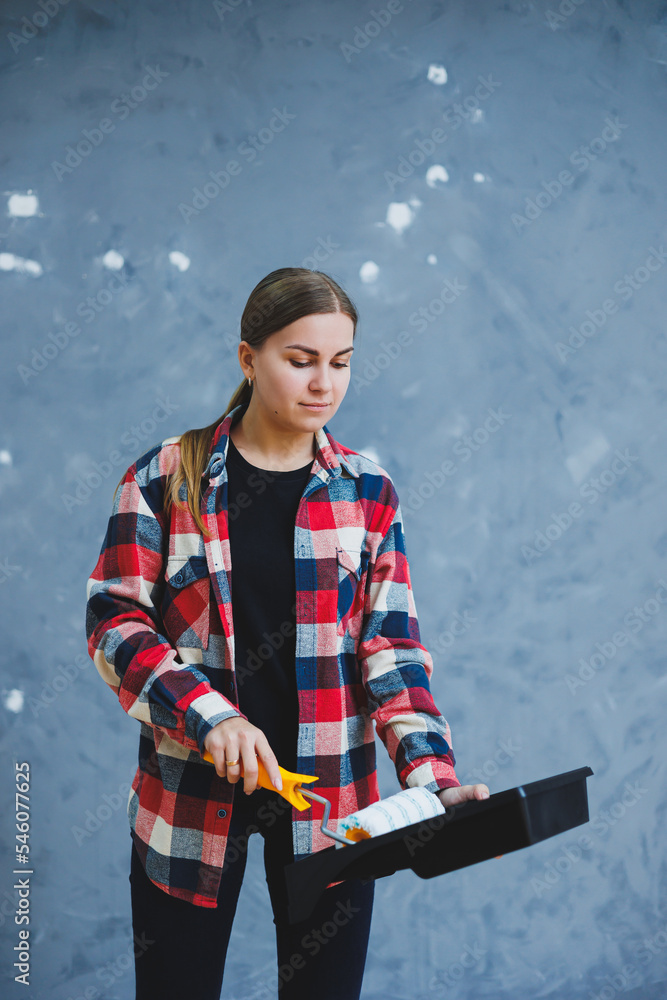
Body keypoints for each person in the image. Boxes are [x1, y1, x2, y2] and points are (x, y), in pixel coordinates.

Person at [85, 266, 489, 1000]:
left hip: (334, 806)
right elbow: (113, 623)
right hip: (188, 800)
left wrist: (434, 783)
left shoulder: (368, 493)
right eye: (299, 361)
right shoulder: (162, 478)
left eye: (340, 363)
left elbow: (390, 649)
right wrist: (210, 718)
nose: (322, 384)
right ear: (248, 358)